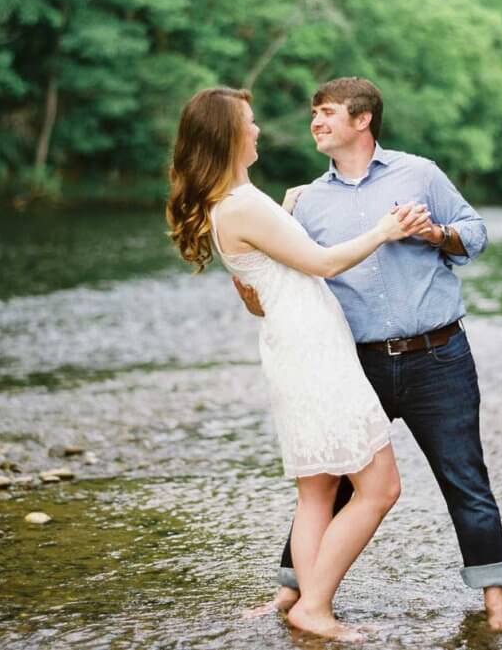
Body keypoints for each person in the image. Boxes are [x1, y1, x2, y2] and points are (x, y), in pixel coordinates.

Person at [236, 77, 502, 631]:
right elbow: (280, 287)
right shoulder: (304, 202)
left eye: (328, 112)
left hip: (439, 356)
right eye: (314, 112)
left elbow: (476, 233)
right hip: (354, 364)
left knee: (465, 476)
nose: (315, 122)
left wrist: (434, 233)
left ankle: (496, 605)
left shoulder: (421, 173)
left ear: (363, 120)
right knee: (330, 480)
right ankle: (290, 595)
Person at [165, 86, 433, 642]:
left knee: (317, 490)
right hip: (313, 350)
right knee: (380, 486)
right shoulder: (240, 206)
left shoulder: (236, 201)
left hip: (292, 345)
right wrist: (385, 230)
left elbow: (272, 255)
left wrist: (283, 209)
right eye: (251, 121)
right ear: (228, 135)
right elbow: (321, 262)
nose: (259, 129)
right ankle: (314, 607)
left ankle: (312, 609)